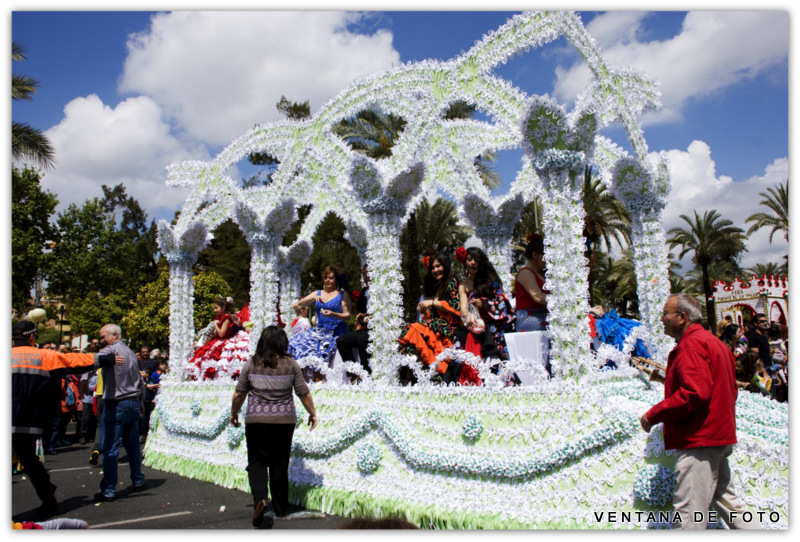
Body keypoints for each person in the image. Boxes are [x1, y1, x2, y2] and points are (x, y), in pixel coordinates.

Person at [639, 294, 757, 530]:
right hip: (717, 436)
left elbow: (694, 393)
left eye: (665, 314)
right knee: (730, 505)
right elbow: (729, 390)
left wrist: (653, 414)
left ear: (682, 317)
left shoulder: (691, 345)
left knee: (689, 516)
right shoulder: (715, 344)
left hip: (699, 440)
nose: (661, 319)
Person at [12, 320, 119, 517]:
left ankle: (48, 497)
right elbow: (76, 361)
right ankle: (48, 499)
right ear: (32, 337)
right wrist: (108, 358)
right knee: (30, 462)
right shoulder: (45, 357)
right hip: (29, 422)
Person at [229, 326, 317, 528]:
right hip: (284, 421)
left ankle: (260, 498)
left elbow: (239, 393)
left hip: (256, 421)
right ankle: (280, 506)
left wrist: (234, 413)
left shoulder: (251, 364)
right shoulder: (291, 365)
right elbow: (303, 392)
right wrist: (312, 413)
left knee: (257, 461)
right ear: (282, 343)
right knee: (279, 463)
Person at [94, 324, 147, 502]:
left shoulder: (109, 353)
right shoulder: (131, 353)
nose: (101, 341)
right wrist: (140, 402)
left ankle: (109, 489)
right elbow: (140, 380)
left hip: (116, 404)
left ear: (115, 335)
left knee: (110, 447)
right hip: (132, 403)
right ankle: (138, 479)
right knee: (132, 446)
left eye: (103, 337)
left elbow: (91, 361)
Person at [398, 254, 463, 383]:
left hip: (448, 327)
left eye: (438, 266)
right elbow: (434, 314)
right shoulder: (437, 287)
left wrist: (432, 303)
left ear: (445, 266)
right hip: (437, 325)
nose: (435, 270)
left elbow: (456, 306)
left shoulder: (453, 282)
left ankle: (420, 376)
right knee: (408, 334)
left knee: (412, 330)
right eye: (432, 267)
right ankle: (419, 374)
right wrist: (425, 310)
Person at [457, 247, 515, 384]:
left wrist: (485, 304)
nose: (473, 263)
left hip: (495, 328)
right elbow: (463, 308)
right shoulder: (463, 285)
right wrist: (468, 316)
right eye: (469, 259)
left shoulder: (491, 280)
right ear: (465, 263)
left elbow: (503, 302)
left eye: (476, 260)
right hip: (475, 327)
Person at [289, 266, 352, 381]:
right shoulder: (318, 293)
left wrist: (334, 314)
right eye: (326, 278)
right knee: (296, 342)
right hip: (319, 330)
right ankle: (304, 379)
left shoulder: (342, 294)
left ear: (337, 280)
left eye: (331, 278)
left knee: (320, 348)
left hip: (335, 331)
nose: (327, 280)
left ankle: (320, 380)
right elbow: (298, 305)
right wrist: (313, 299)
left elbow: (348, 315)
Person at [189, 296, 249, 380]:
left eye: (216, 308)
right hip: (216, 341)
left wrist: (215, 325)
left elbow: (221, 334)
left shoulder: (226, 319)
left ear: (223, 307)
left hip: (221, 342)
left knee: (213, 359)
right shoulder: (219, 318)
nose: (214, 310)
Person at [336, 264, 373, 379]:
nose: (366, 276)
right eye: (363, 274)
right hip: (364, 328)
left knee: (362, 340)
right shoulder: (364, 291)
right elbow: (362, 311)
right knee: (342, 341)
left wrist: (370, 316)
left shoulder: (380, 291)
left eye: (367, 273)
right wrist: (361, 317)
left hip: (377, 329)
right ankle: (354, 373)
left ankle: (367, 374)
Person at [515, 234, 550, 332]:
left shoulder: (542, 274)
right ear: (535, 255)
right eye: (547, 255)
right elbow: (538, 297)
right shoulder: (525, 272)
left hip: (545, 314)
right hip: (529, 317)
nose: (549, 259)